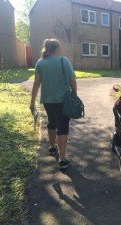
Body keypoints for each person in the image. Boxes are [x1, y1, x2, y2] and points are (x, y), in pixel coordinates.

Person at [30, 39, 77, 170]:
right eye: (59, 47)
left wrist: (32, 102)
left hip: (47, 100)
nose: (60, 50)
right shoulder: (64, 61)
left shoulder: (40, 63)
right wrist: (75, 95)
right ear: (56, 48)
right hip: (63, 101)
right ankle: (62, 159)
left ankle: (52, 147)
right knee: (63, 128)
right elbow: (72, 79)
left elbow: (36, 83)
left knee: (51, 122)